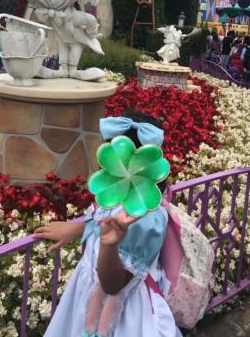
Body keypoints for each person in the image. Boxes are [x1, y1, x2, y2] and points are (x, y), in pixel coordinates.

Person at [35, 110, 182, 337]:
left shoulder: (143, 218)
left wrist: (108, 245)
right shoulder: (116, 195)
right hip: (89, 293)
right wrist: (76, 229)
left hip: (123, 315)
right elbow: (102, 222)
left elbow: (113, 285)